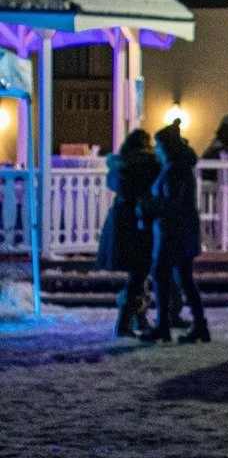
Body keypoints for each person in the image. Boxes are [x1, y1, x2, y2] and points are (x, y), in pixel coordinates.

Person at [138, 120, 209, 344]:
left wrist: (148, 206)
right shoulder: (176, 168)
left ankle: (165, 326)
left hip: (174, 232)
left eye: (159, 146)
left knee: (163, 274)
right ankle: (195, 325)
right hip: (177, 231)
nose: (156, 151)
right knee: (182, 278)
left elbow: (173, 204)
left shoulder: (175, 170)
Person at [96, 129, 161, 337]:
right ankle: (126, 322)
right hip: (140, 223)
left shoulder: (121, 165)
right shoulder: (149, 164)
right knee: (140, 272)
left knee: (138, 273)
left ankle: (138, 318)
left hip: (121, 223)